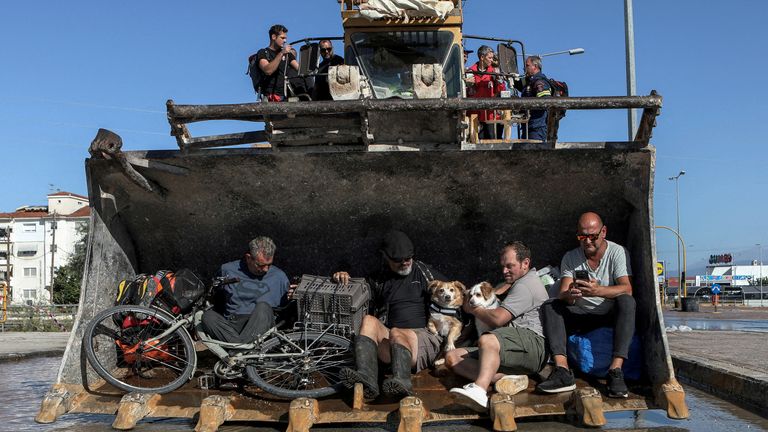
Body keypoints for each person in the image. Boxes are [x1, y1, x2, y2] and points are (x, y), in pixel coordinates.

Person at [333, 230, 447, 399]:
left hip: (423, 341)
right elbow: (358, 292)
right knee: (369, 321)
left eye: (407, 258)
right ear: (385, 256)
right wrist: (343, 278)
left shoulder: (425, 273)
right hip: (392, 341)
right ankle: (367, 377)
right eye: (397, 260)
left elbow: (455, 296)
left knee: (396, 332)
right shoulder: (378, 278)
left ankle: (402, 382)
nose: (404, 263)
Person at [536, 212, 635, 398]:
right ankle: (562, 370)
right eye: (582, 236)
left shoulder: (617, 252)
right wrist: (571, 294)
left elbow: (627, 289)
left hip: (608, 315)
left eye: (593, 236)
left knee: (627, 301)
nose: (587, 241)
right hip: (580, 314)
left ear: (603, 232)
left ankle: (615, 371)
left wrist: (598, 291)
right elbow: (563, 292)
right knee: (551, 305)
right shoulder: (571, 257)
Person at [446, 241, 549, 411]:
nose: (504, 271)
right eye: (503, 266)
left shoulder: (526, 285)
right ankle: (505, 379)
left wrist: (473, 308)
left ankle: (479, 389)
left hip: (532, 345)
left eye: (510, 266)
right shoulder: (517, 282)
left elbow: (497, 319)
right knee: (453, 357)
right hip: (514, 344)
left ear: (525, 263)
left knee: (488, 340)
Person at [200, 236, 290, 344]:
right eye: (261, 265)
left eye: (269, 265)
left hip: (261, 326)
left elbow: (287, 311)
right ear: (248, 258)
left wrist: (293, 296)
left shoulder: (279, 277)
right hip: (232, 326)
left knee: (264, 307)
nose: (266, 269)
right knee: (207, 316)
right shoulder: (227, 270)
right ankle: (242, 350)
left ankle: (238, 351)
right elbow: (216, 298)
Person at [467, 45, 506, 139]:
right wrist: (468, 84)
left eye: (492, 58)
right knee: (475, 142)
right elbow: (467, 93)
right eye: (490, 58)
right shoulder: (470, 72)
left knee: (492, 140)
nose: (492, 60)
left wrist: (499, 80)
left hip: (490, 115)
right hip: (474, 115)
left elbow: (501, 91)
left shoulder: (494, 73)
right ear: (482, 57)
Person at [256, 24, 300, 102]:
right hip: (270, 98)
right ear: (273, 37)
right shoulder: (263, 52)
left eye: (285, 38)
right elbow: (268, 70)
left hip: (286, 97)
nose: (285, 41)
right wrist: (281, 53)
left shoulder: (287, 54)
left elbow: (300, 69)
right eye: (282, 38)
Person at [512, 55, 551, 141]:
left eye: (527, 65)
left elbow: (545, 102)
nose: (525, 68)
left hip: (536, 128)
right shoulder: (530, 82)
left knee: (535, 153)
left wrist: (526, 106)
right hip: (528, 126)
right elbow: (520, 85)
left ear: (535, 66)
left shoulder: (539, 82)